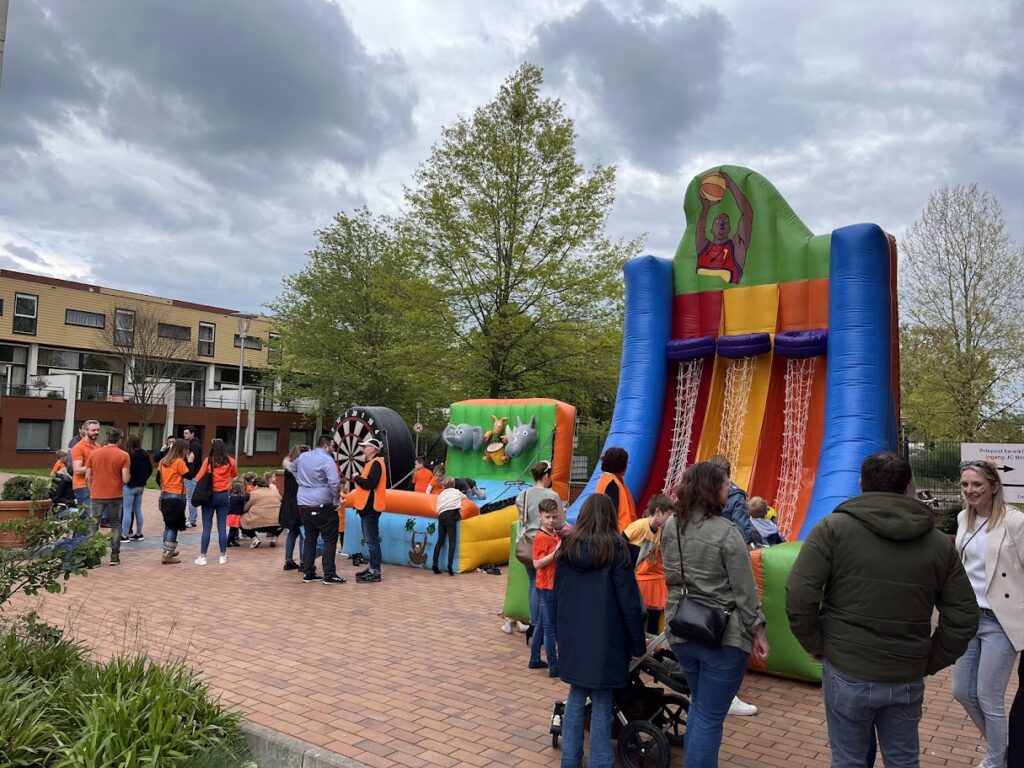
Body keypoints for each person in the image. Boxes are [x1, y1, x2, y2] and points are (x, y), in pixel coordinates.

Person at [787, 451, 978, 768]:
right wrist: (929, 659)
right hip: (905, 672)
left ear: (861, 483)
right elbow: (964, 615)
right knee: (903, 760)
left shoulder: (832, 530)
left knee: (848, 760)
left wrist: (817, 644)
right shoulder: (937, 543)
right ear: (907, 487)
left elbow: (799, 596)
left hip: (847, 668)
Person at [662, 461, 770, 767]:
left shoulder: (672, 524)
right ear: (712, 489)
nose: (729, 488)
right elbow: (745, 590)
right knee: (710, 716)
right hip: (723, 632)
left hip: (681, 625)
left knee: (701, 706)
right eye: (725, 484)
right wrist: (758, 630)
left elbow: (670, 571)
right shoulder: (727, 532)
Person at [554, 493, 646, 768]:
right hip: (607, 637)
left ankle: (570, 760)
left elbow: (558, 595)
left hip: (574, 634)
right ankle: (600, 761)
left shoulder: (567, 549)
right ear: (610, 516)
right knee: (603, 700)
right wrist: (637, 644)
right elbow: (629, 601)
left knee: (576, 696)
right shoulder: (617, 550)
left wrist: (560, 636)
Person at [952, 459, 1024, 768]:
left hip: (1000, 621)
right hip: (968, 617)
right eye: (966, 484)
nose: (970, 490)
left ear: (994, 487)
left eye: (977, 484)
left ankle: (995, 761)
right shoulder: (962, 519)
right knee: (961, 691)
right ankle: (1004, 752)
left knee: (988, 696)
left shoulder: (1014, 522)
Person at [516, 461, 562, 644]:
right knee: (542, 584)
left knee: (532, 583)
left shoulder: (523, 495)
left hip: (527, 543)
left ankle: (533, 625)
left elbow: (522, 520)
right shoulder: (552, 495)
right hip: (544, 544)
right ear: (546, 476)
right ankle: (537, 626)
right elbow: (558, 523)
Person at [292, 434, 344, 585]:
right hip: (322, 502)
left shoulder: (303, 457)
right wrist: (336, 499)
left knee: (310, 538)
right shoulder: (327, 460)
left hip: (303, 502)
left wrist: (301, 482)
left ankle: (308, 572)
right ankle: (329, 574)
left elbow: (291, 467)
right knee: (330, 538)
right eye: (332, 447)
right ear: (327, 446)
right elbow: (334, 482)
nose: (333, 450)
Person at [624, 493, 674, 634]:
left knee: (648, 617)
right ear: (658, 511)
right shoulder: (639, 526)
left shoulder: (658, 532)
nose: (669, 518)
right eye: (668, 514)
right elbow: (620, 542)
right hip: (627, 573)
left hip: (635, 574)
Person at [694, 169, 753, 285]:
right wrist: (705, 207)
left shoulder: (736, 248)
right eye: (718, 221)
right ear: (710, 230)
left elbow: (747, 214)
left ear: (730, 229)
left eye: (725, 222)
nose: (721, 223)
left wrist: (731, 185)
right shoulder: (703, 247)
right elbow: (699, 229)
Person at [84, 427, 131, 566]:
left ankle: (93, 556)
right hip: (115, 494)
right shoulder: (123, 455)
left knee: (93, 525)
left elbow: (87, 476)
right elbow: (125, 478)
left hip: (96, 493)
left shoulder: (94, 454)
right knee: (116, 524)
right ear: (120, 439)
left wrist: (91, 489)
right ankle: (114, 555)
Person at [346, 437, 387, 584]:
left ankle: (375, 571)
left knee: (372, 541)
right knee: (371, 540)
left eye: (366, 447)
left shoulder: (376, 463)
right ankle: (373, 569)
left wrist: (357, 478)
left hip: (371, 508)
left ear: (373, 449)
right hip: (368, 508)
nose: (363, 449)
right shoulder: (373, 463)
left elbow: (370, 484)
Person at [192, 438, 237, 566]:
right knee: (222, 527)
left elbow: (197, 478)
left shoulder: (208, 461)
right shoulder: (230, 461)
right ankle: (222, 556)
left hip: (209, 496)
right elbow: (234, 475)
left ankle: (203, 556)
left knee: (207, 527)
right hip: (223, 495)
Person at [529, 498, 561, 676]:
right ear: (539, 516)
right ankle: (554, 666)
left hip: (549, 584)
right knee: (549, 628)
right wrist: (556, 554)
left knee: (542, 624)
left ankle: (534, 659)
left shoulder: (552, 534)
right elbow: (536, 563)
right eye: (548, 517)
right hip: (546, 586)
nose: (551, 520)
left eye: (554, 517)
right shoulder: (541, 537)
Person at [157, 439, 194, 564]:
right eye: (186, 450)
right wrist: (190, 462)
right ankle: (167, 555)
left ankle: (168, 550)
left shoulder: (163, 461)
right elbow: (189, 475)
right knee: (173, 527)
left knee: (168, 525)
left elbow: (158, 478)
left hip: (165, 495)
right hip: (177, 496)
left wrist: (165, 487)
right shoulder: (179, 462)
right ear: (182, 450)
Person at [280, 444, 309, 571]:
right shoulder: (303, 469)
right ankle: (304, 561)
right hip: (301, 502)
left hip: (288, 504)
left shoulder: (288, 469)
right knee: (304, 532)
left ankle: (288, 560)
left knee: (292, 532)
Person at [596, 447, 637, 531]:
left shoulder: (606, 480)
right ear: (622, 465)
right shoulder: (612, 484)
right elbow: (611, 514)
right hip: (619, 535)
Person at [121, 434, 152, 541]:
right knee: (138, 510)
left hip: (129, 485)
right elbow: (150, 469)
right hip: (141, 486)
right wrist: (143, 480)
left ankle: (124, 535)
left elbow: (126, 470)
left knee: (127, 510)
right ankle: (139, 533)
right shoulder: (145, 454)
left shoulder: (128, 455)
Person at [432, 478, 463, 576]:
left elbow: (437, 507)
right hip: (451, 515)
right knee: (452, 541)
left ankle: (435, 564)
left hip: (441, 516)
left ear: (444, 485)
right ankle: (450, 565)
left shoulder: (441, 494)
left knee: (440, 541)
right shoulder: (456, 492)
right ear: (454, 485)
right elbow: (465, 498)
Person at [70, 419, 100, 517]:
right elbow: (77, 470)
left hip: (95, 485)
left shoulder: (98, 447)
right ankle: (80, 533)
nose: (96, 432)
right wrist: (95, 467)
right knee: (86, 516)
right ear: (85, 431)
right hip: (82, 486)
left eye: (97, 430)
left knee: (90, 517)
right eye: (93, 430)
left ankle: (79, 533)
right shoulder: (78, 447)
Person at [242, 477, 282, 547]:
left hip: (258, 523)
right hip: (276, 523)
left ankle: (255, 539)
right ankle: (274, 538)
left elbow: (245, 508)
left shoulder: (253, 494)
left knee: (242, 520)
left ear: (256, 486)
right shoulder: (276, 493)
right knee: (282, 521)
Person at [182, 426, 203, 528]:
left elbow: (192, 461)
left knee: (190, 498)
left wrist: (190, 474)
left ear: (192, 433)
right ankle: (191, 518)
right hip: (192, 475)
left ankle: (192, 519)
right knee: (189, 497)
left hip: (192, 475)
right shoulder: (193, 444)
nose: (184, 435)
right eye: (184, 433)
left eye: (186, 433)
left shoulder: (194, 445)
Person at [225, 480, 249, 547]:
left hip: (233, 515)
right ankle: (228, 542)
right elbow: (245, 497)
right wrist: (248, 493)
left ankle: (232, 541)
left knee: (234, 529)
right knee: (232, 530)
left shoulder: (232, 497)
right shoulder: (236, 498)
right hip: (234, 516)